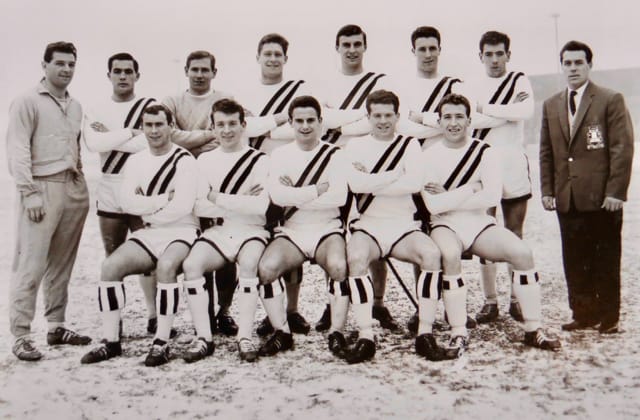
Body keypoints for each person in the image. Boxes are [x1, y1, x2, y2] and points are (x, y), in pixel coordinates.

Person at [420, 93, 561, 358]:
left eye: (459, 117)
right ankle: (458, 331)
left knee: (522, 253)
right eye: (447, 117)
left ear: (469, 120)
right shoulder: (428, 155)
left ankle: (533, 328)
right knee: (450, 256)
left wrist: (450, 195)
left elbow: (492, 197)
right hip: (444, 225)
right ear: (438, 122)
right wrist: (472, 187)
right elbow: (434, 207)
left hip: (479, 223)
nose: (453, 123)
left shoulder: (485, 152)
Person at [80, 104, 203, 366]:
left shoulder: (185, 160)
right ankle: (111, 341)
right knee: (110, 267)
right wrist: (160, 201)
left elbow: (182, 206)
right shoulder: (135, 160)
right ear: (143, 127)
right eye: (149, 125)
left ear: (171, 126)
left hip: (182, 231)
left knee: (167, 267)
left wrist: (147, 210)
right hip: (150, 232)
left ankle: (161, 342)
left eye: (160, 124)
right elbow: (126, 202)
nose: (154, 130)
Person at [540, 41, 634, 334]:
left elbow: (622, 147)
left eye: (578, 63)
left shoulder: (609, 99)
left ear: (589, 65)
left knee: (605, 258)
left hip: (602, 198)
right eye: (567, 63)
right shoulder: (552, 104)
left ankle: (608, 316)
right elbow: (546, 151)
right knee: (575, 258)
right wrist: (547, 190)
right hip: (568, 198)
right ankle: (583, 313)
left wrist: (616, 192)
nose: (572, 69)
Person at [7, 41, 91, 361]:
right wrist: (28, 193)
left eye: (71, 64)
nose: (66, 69)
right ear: (44, 65)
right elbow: (18, 150)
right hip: (41, 188)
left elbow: (76, 146)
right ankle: (21, 335)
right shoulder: (27, 101)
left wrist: (80, 177)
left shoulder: (75, 105)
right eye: (59, 63)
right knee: (31, 262)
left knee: (62, 263)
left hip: (72, 187)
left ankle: (56, 326)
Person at [344, 89, 442, 363]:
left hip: (402, 225)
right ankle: (365, 336)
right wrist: (395, 174)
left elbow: (413, 184)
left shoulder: (409, 144)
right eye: (377, 115)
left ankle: (425, 333)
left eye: (389, 115)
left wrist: (373, 178)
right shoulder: (355, 146)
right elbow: (355, 184)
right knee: (356, 258)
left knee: (432, 255)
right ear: (368, 117)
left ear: (398, 116)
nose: (383, 121)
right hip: (369, 224)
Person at [316, 24, 399, 333]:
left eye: (357, 44)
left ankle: (378, 303)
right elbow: (323, 121)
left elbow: (377, 121)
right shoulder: (326, 82)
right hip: (334, 163)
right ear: (337, 48)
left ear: (365, 47)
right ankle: (332, 304)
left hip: (371, 161)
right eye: (346, 44)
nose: (352, 49)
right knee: (335, 234)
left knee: (373, 230)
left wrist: (341, 119)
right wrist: (357, 120)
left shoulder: (380, 81)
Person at [257, 95, 349, 358]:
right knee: (266, 268)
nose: (305, 126)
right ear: (291, 123)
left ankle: (337, 332)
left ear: (321, 122)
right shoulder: (279, 154)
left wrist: (295, 191)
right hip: (293, 230)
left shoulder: (335, 155)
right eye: (299, 121)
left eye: (311, 120)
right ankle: (282, 332)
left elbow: (338, 197)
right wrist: (314, 190)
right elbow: (277, 196)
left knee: (339, 267)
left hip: (327, 228)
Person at [234, 33, 312, 337]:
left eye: (278, 54)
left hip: (288, 169)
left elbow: (294, 132)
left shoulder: (298, 90)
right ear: (258, 57)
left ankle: (291, 310)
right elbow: (246, 128)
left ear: (285, 58)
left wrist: (265, 127)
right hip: (253, 171)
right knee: (258, 238)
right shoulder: (245, 91)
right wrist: (279, 119)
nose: (272, 59)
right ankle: (270, 310)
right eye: (267, 53)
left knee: (288, 238)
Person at [182, 99, 270, 362]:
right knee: (192, 266)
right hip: (219, 232)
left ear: (244, 126)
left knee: (250, 264)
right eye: (221, 124)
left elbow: (260, 207)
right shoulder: (204, 160)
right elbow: (198, 206)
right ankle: (204, 337)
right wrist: (241, 201)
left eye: (233, 123)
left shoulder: (260, 160)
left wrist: (217, 198)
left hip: (252, 230)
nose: (227, 130)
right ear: (213, 127)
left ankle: (245, 336)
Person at [82, 52, 159, 336]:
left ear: (137, 76)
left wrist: (113, 136)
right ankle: (116, 321)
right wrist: (128, 131)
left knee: (149, 254)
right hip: (110, 186)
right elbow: (93, 143)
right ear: (109, 75)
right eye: (117, 71)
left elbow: (149, 144)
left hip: (142, 183)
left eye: (128, 71)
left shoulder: (149, 105)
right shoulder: (96, 108)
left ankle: (153, 315)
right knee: (113, 255)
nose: (123, 76)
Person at [162, 50, 238, 336]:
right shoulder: (172, 101)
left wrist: (187, 139)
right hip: (184, 180)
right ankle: (203, 313)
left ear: (214, 73)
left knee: (226, 247)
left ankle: (225, 311)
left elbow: (239, 130)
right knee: (200, 247)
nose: (199, 74)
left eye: (205, 70)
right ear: (185, 70)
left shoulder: (224, 99)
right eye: (194, 69)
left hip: (221, 177)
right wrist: (208, 135)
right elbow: (167, 135)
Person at [462, 31, 534, 324]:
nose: (494, 59)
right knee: (486, 233)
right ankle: (490, 301)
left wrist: (486, 109)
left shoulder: (519, 79)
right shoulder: (471, 85)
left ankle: (516, 299)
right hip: (484, 165)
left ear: (508, 54)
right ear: (480, 56)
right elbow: (470, 120)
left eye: (499, 53)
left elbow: (526, 110)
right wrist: (507, 113)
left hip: (514, 164)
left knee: (515, 232)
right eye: (488, 54)